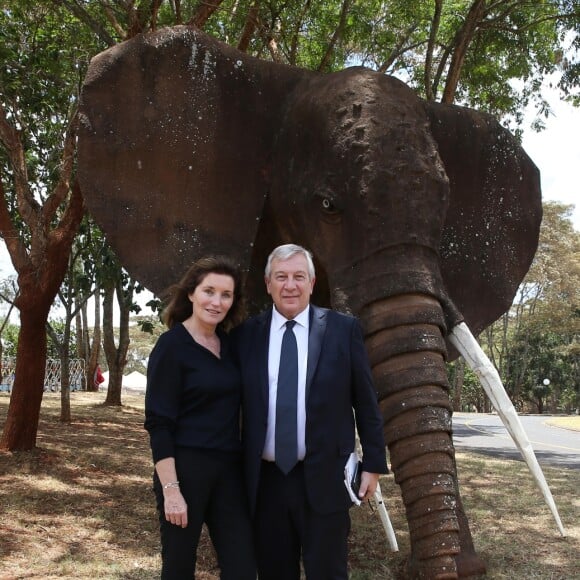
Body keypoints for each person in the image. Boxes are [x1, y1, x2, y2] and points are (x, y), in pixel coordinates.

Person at [232, 243, 388, 580]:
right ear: (268, 283)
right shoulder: (245, 336)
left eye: (299, 277)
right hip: (266, 482)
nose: (290, 285)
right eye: (282, 277)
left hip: (326, 477)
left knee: (328, 573)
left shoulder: (342, 329)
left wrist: (374, 463)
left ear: (312, 283)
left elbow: (365, 400)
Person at [144, 256, 256, 580]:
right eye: (209, 291)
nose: (216, 302)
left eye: (226, 294)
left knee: (243, 567)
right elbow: (159, 423)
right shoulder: (171, 347)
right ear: (191, 293)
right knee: (179, 567)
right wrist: (171, 490)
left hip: (229, 472)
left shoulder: (231, 346)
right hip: (185, 471)